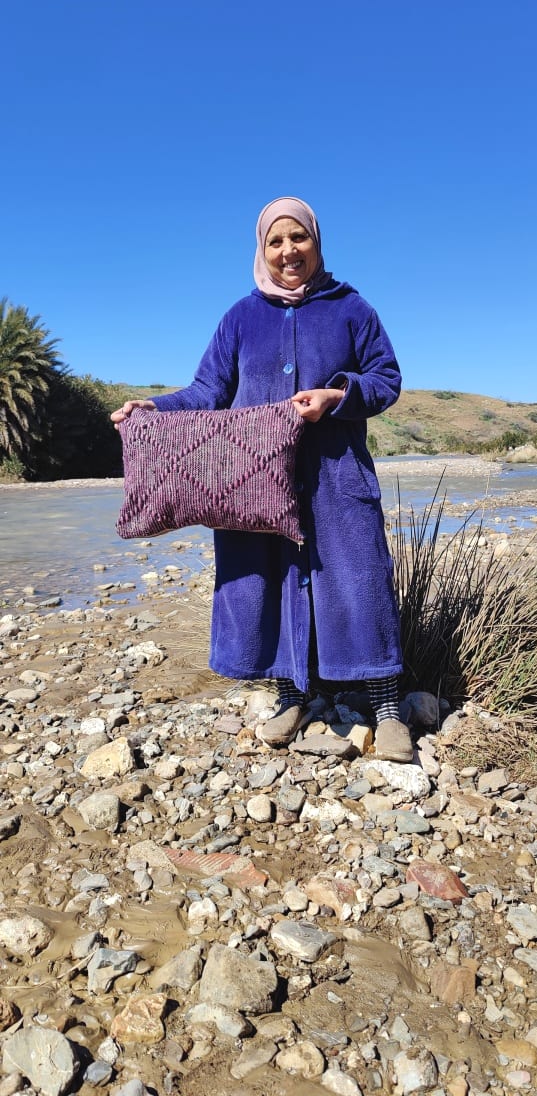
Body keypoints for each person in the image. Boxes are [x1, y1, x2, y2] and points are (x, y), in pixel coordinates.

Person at [111, 197, 413, 762]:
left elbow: (387, 379)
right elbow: (207, 393)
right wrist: (151, 407)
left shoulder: (352, 308)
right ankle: (292, 697)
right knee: (273, 582)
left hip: (335, 479)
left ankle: (388, 709)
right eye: (275, 242)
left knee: (359, 581)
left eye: (298, 238)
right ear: (261, 251)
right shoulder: (240, 317)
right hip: (252, 483)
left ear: (317, 242)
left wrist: (338, 394)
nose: (287, 251)